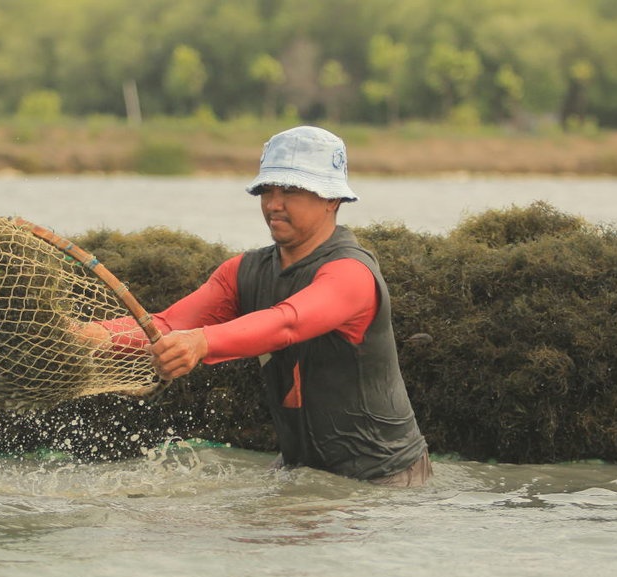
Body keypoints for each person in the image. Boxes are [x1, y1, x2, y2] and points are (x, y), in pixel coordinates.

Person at [103, 126, 431, 487]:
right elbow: (164, 326)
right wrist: (72, 338)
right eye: (267, 190)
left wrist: (202, 342)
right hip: (299, 471)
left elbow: (286, 323)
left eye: (291, 190)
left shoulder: (351, 274)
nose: (274, 204)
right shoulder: (243, 272)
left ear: (332, 199)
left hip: (385, 481)